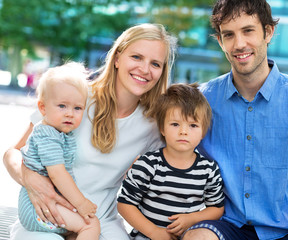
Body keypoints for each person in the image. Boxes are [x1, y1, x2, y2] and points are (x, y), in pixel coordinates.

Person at [182, 0, 288, 240]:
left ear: (268, 32)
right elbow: (175, 148)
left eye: (248, 31)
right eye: (229, 35)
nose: (239, 44)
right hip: (225, 224)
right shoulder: (202, 100)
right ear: (220, 41)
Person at [3, 23, 177, 240]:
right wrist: (30, 179)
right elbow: (13, 152)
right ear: (117, 58)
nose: (144, 69)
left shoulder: (153, 124)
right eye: (136, 57)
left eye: (155, 64)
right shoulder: (75, 98)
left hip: (99, 220)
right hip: (46, 215)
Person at [117, 83, 225, 240]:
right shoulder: (148, 165)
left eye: (193, 125)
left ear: (203, 131)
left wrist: (192, 219)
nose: (183, 131)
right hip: (147, 236)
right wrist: (154, 232)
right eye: (175, 124)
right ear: (162, 128)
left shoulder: (208, 170)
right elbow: (125, 204)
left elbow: (216, 208)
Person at [18, 62, 100, 240]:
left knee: (75, 232)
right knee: (91, 225)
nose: (70, 113)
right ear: (42, 108)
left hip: (46, 205)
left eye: (77, 108)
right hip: (37, 208)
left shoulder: (59, 133)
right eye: (62, 106)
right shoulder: (47, 135)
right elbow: (57, 174)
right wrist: (81, 203)